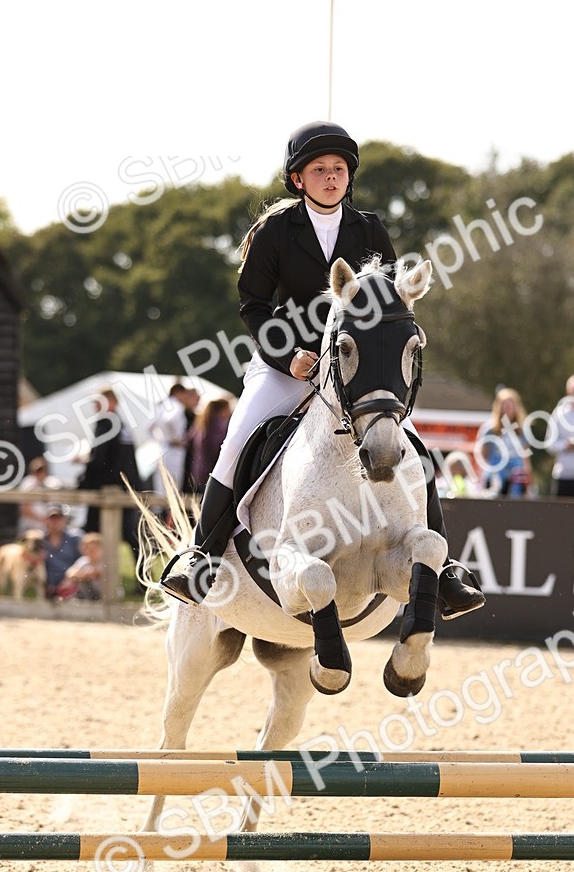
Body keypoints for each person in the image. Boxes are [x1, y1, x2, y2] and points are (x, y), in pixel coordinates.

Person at [162, 121, 485, 619]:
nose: (331, 177)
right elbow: (253, 305)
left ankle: (443, 571)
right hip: (286, 366)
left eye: (339, 169)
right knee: (237, 440)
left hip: (353, 372)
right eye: (320, 170)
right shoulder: (276, 232)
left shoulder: (369, 229)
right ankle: (202, 557)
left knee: (413, 448)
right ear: (298, 179)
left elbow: (388, 306)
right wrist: (288, 354)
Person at [79, 386, 142, 561]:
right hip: (125, 486)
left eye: (98, 401)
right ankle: (141, 579)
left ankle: (90, 575)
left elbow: (100, 459)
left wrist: (85, 466)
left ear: (110, 401)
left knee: (92, 533)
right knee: (131, 535)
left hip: (106, 488)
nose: (95, 406)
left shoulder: (106, 423)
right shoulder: (121, 424)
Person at [477, 388, 533, 497]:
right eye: (505, 406)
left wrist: (529, 480)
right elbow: (484, 455)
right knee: (495, 495)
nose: (508, 409)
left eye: (510, 406)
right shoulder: (490, 429)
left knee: (515, 496)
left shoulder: (521, 430)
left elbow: (525, 456)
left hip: (516, 469)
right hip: (497, 467)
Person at [148, 382, 199, 498]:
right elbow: (169, 420)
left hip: (162, 448)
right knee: (174, 489)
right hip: (175, 450)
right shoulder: (176, 406)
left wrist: (160, 439)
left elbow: (148, 428)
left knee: (160, 489)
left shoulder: (162, 406)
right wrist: (175, 438)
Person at [188, 396, 234, 490]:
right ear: (223, 409)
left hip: (198, 470)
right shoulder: (218, 426)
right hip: (211, 472)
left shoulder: (202, 423)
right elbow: (218, 448)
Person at [41, 505, 83, 599]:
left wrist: (72, 579)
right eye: (52, 518)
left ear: (65, 520)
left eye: (58, 518)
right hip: (47, 587)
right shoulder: (39, 541)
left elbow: (83, 562)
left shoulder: (75, 539)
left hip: (71, 586)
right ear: (46, 520)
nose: (55, 522)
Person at [18, 456, 63, 533]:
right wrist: (43, 519)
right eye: (38, 470)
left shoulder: (50, 483)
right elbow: (25, 510)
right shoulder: (28, 484)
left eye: (42, 470)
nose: (41, 473)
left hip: (45, 528)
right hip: (30, 527)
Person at [63, 532, 105, 600]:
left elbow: (102, 571)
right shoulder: (84, 561)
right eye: (87, 549)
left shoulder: (106, 561)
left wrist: (93, 573)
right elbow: (69, 573)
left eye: (93, 549)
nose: (90, 552)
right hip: (89, 595)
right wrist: (83, 575)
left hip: (105, 594)